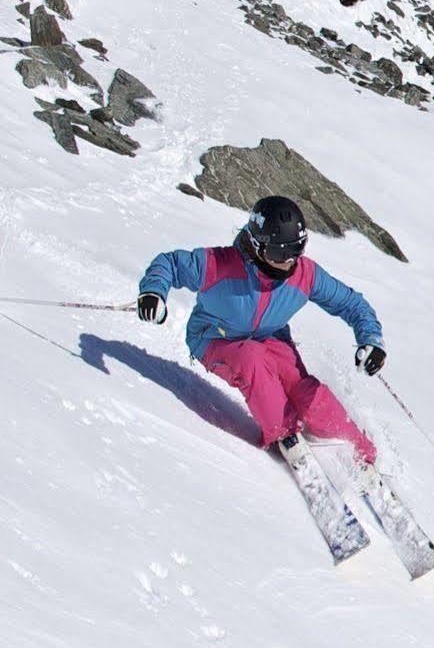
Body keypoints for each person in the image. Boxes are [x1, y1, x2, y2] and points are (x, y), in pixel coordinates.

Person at [137, 196, 387, 465]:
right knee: (251, 359)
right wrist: (153, 292)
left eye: (296, 250)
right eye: (280, 253)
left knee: (303, 390)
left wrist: (370, 339)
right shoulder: (219, 264)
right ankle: (285, 432)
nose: (289, 262)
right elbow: (170, 264)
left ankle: (356, 447)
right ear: (257, 245)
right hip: (215, 338)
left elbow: (351, 303)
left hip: (270, 338)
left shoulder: (304, 274)